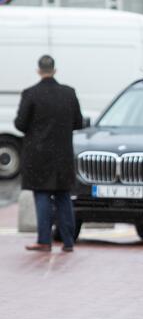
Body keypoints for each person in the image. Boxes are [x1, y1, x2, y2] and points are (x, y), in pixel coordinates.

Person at [14, 55, 83, 252]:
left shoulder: (31, 94)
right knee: (63, 197)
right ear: (55, 70)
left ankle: (44, 240)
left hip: (39, 156)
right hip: (63, 155)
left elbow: (20, 124)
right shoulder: (69, 93)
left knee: (42, 195)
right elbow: (78, 122)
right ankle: (68, 241)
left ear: (38, 70)